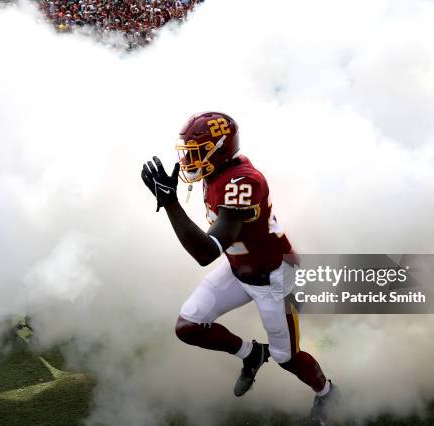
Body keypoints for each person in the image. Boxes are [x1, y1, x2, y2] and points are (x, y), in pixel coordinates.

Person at [141, 112, 336, 423]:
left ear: (219, 149)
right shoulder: (217, 171)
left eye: (197, 152)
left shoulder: (243, 182)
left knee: (287, 358)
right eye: (187, 152)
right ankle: (252, 354)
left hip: (271, 277)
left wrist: (170, 203)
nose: (189, 160)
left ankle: (328, 393)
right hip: (238, 268)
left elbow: (206, 253)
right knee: (188, 326)